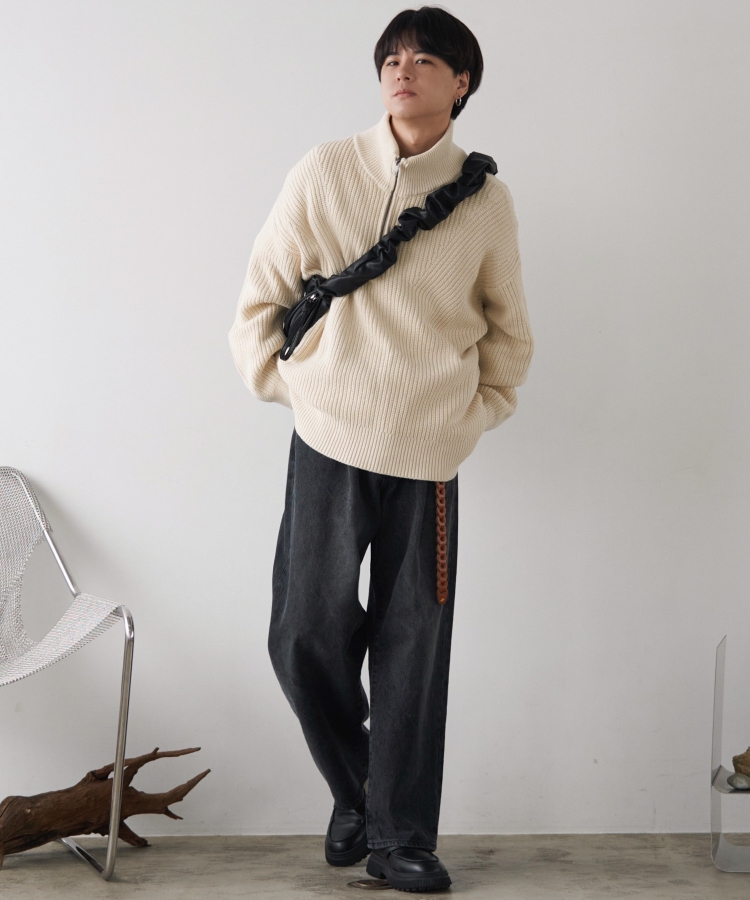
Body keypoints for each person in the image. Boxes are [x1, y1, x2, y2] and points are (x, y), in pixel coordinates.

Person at [229, 6, 533, 892]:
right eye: (392, 58)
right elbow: (260, 299)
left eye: (426, 59)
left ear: (462, 83)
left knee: (412, 649)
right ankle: (360, 791)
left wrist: (470, 417)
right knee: (303, 633)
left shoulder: (486, 201)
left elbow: (510, 336)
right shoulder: (324, 169)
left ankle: (401, 836)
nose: (404, 70)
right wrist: (296, 388)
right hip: (327, 440)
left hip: (430, 455)